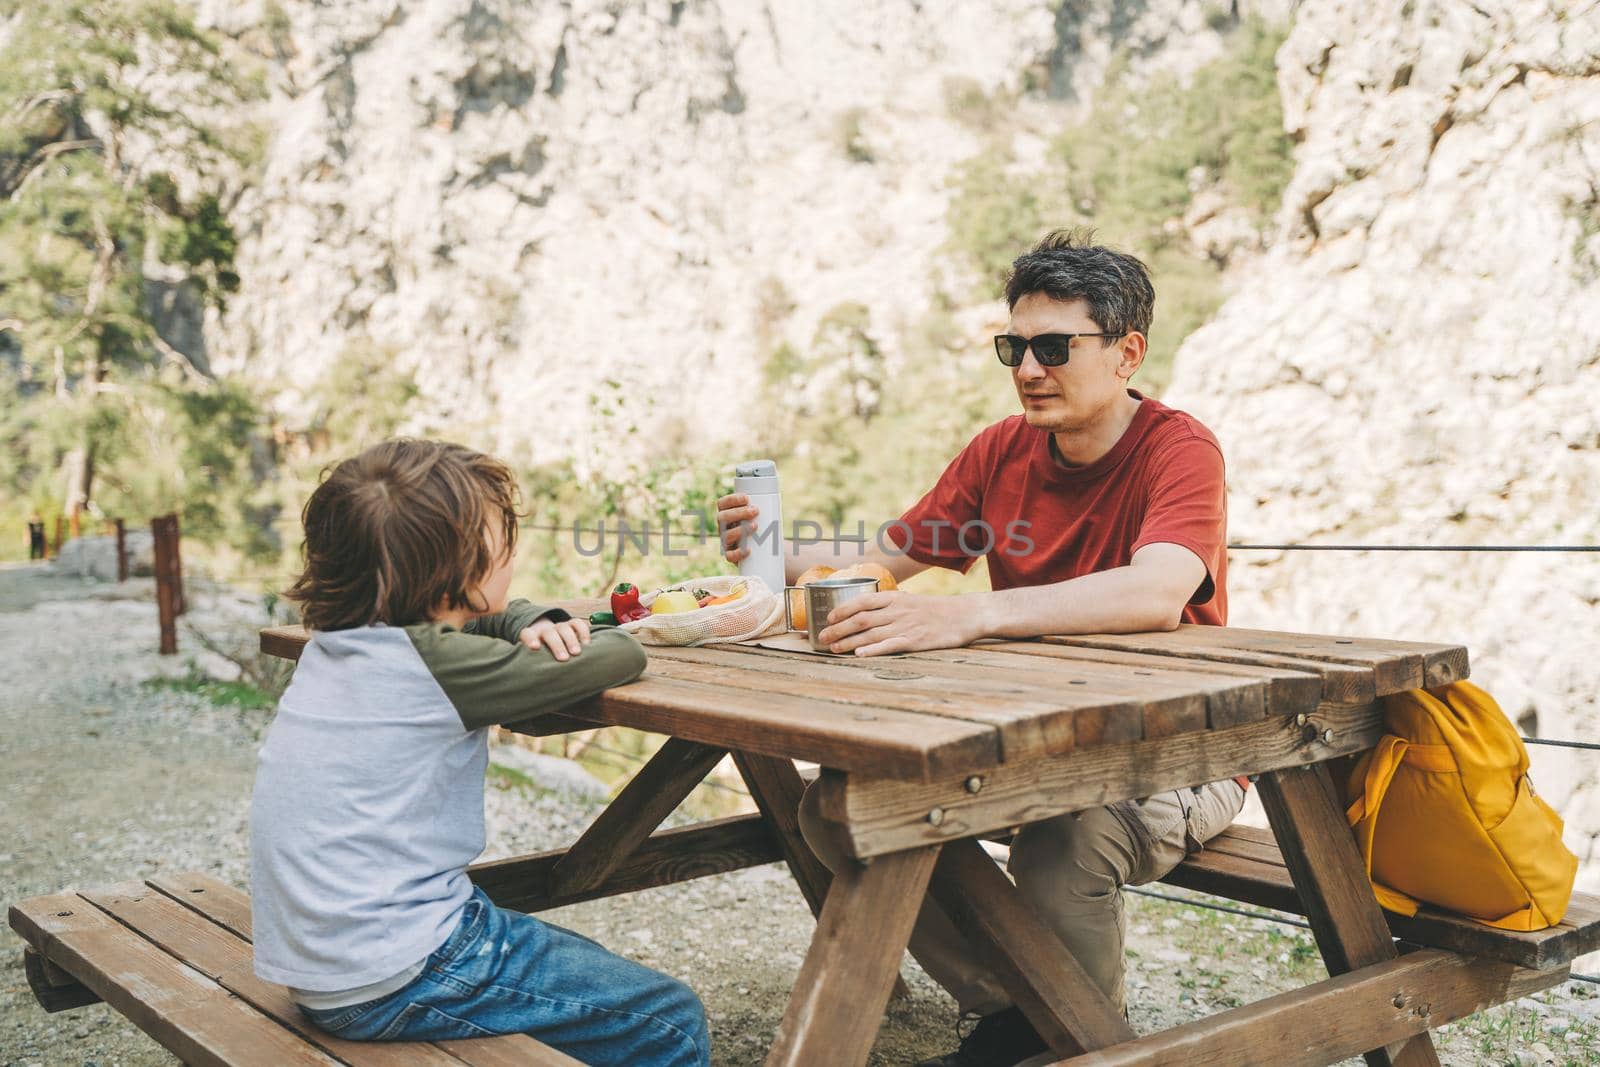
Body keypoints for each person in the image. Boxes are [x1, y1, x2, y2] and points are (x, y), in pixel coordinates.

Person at [716, 230, 1242, 1067]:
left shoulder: (1180, 448)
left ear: (1126, 352)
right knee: (841, 809)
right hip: (1038, 732)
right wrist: (766, 547)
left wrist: (971, 615)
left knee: (1068, 839)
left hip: (1182, 746)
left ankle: (1071, 1042)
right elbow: (883, 560)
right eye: (1015, 346)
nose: (1028, 368)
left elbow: (1158, 590)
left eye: (1053, 347)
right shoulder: (1002, 450)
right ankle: (1019, 1016)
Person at [253, 438, 710, 1066]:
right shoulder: (440, 666)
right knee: (669, 1020)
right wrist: (541, 626)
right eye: (499, 543)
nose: (513, 555)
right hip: (401, 970)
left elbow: (479, 623)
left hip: (325, 961)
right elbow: (622, 654)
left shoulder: (342, 642)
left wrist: (523, 618)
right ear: (454, 574)